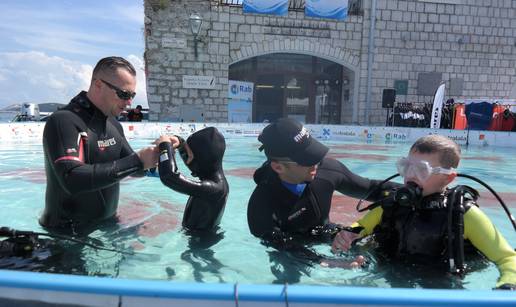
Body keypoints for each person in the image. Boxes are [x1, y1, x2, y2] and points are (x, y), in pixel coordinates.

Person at [332, 135, 516, 290]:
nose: (410, 175)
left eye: (421, 170)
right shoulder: (391, 206)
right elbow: (360, 227)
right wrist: (347, 237)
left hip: (440, 287)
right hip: (388, 277)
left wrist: (507, 286)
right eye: (406, 166)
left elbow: (506, 258)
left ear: (448, 177)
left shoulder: (463, 214)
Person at [40, 56, 158, 234]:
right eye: (124, 94)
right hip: (67, 233)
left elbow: (137, 168)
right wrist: (137, 161)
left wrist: (156, 153)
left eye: (132, 95)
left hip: (108, 224)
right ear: (98, 85)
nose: (129, 102)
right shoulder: (64, 121)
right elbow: (71, 178)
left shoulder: (113, 124)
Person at [247, 118, 398, 247]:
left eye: (314, 154)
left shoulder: (327, 170)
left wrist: (414, 189)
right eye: (306, 160)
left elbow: (372, 188)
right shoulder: (261, 206)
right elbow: (284, 249)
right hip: (293, 250)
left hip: (327, 231)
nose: (316, 163)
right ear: (278, 167)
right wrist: (327, 262)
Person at [156, 127, 229, 231]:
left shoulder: (214, 189)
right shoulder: (218, 183)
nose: (187, 161)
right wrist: (180, 143)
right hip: (202, 240)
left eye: (188, 156)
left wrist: (164, 147)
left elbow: (169, 176)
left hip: (198, 243)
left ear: (202, 158)